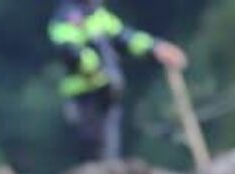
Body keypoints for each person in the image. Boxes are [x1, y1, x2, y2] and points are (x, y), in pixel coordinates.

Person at [48, 0, 187, 164]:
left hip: (108, 93)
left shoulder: (99, 15)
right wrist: (96, 69)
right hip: (86, 96)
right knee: (94, 149)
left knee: (109, 149)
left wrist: (156, 48)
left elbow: (126, 38)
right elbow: (69, 51)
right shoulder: (67, 15)